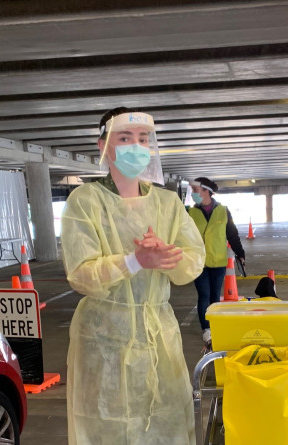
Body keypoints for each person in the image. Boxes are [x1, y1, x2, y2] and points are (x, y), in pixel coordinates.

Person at [61, 107, 206, 445]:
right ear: (103, 146)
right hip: (103, 339)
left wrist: (168, 255)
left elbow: (194, 261)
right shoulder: (84, 202)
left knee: (166, 419)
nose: (136, 146)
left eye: (143, 139)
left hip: (159, 335)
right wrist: (135, 261)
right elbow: (81, 275)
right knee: (105, 425)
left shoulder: (168, 204)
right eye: (125, 138)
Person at [188, 177, 245, 343]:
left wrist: (240, 253)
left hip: (218, 261)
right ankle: (206, 329)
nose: (193, 194)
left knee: (214, 296)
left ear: (206, 191)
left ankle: (214, 325)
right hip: (199, 263)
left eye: (196, 191)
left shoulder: (223, 211)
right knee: (204, 295)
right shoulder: (190, 213)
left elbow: (232, 234)